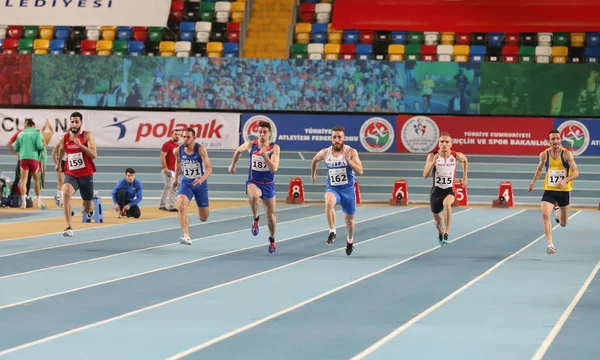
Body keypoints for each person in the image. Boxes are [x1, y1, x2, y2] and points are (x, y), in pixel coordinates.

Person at [310, 125, 364, 256]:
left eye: (339, 137)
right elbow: (314, 159)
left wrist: (349, 161)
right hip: (333, 188)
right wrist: (313, 174)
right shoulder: (325, 152)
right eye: (334, 137)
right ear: (331, 138)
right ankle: (332, 231)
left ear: (344, 138)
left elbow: (360, 171)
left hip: (348, 191)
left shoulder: (351, 152)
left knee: (349, 220)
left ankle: (350, 241)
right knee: (328, 202)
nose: (337, 139)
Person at [228, 121, 281, 254]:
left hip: (268, 185)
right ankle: (256, 219)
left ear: (269, 134)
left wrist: (264, 155)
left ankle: (272, 239)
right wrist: (232, 164)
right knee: (253, 195)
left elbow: (274, 168)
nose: (262, 134)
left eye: (265, 132)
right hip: (254, 182)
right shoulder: (251, 145)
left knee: (271, 217)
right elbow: (238, 151)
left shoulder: (275, 148)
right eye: (260, 132)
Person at [528, 129, 579, 254]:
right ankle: (550, 244)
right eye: (553, 139)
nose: (556, 141)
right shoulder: (544, 154)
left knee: (563, 223)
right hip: (549, 190)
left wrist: (565, 180)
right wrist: (533, 182)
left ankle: (558, 211)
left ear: (560, 139)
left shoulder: (567, 154)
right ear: (548, 141)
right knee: (545, 214)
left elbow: (576, 172)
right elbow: (539, 169)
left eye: (557, 138)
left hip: (564, 191)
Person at [54, 112, 97, 237]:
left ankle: (91, 209)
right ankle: (69, 227)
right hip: (71, 174)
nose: (74, 124)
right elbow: (62, 150)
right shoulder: (65, 138)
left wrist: (81, 145)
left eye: (77, 122)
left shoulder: (87, 135)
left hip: (86, 175)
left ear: (81, 123)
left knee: (87, 206)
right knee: (65, 192)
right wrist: (58, 163)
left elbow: (94, 154)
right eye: (72, 121)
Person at [422, 132, 468, 246]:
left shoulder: (456, 155)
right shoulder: (432, 156)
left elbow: (465, 160)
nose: (444, 144)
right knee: (438, 222)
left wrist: (465, 177)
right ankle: (441, 232)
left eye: (447, 142)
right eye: (441, 141)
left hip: (449, 190)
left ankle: (446, 233)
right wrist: (433, 163)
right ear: (438, 144)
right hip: (436, 191)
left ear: (451, 144)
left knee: (447, 204)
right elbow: (425, 175)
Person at [173, 127, 213, 245]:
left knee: (203, 218)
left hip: (200, 184)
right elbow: (178, 163)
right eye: (183, 137)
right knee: (180, 204)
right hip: (187, 183)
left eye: (188, 137)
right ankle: (186, 235)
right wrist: (176, 178)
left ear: (194, 138)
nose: (185, 139)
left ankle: (201, 205)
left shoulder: (200, 149)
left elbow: (209, 168)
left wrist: (201, 180)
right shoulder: (178, 150)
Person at [12, 119, 46, 209]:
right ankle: (38, 202)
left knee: (23, 181)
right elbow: (39, 146)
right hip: (33, 159)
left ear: (26, 125)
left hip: (23, 159)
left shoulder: (21, 134)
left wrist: (23, 149)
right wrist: (43, 147)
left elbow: (16, 148)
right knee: (36, 181)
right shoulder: (36, 133)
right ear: (33, 125)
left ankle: (23, 203)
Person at [7, 126, 33, 199]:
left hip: (24, 160)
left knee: (20, 178)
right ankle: (25, 198)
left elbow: (9, 143)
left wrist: (16, 152)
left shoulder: (22, 133)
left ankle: (15, 197)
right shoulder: (33, 134)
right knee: (25, 179)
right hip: (30, 159)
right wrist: (15, 153)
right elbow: (42, 145)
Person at [159, 129, 180, 212]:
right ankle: (162, 205)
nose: (177, 135)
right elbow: (162, 156)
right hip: (168, 170)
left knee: (174, 187)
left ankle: (171, 206)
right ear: (172, 134)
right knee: (168, 186)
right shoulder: (167, 145)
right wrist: (165, 168)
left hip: (174, 170)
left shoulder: (177, 146)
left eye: (178, 134)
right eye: (175, 134)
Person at [51, 140, 68, 207]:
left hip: (70, 162)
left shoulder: (76, 140)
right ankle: (61, 201)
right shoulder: (62, 141)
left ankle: (60, 196)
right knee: (61, 181)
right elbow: (53, 153)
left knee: (69, 182)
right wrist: (57, 163)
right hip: (62, 162)